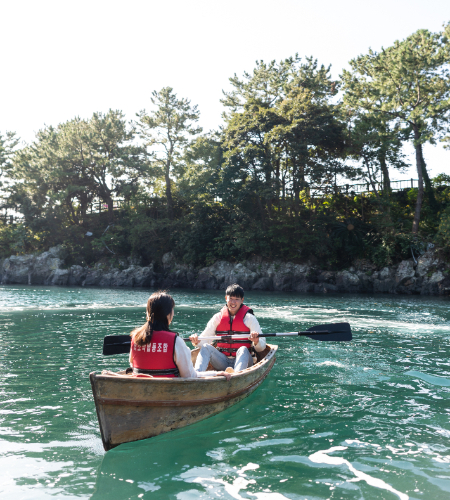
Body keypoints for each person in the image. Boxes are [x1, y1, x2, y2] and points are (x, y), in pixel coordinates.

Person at [129, 291, 231, 380]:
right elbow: (189, 376)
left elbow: (132, 364)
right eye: (172, 309)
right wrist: (216, 373)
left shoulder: (135, 337)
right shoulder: (175, 341)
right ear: (168, 314)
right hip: (169, 391)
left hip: (140, 388)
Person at [189, 283, 266, 373]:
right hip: (222, 361)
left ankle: (236, 376)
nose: (233, 302)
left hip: (244, 360)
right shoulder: (218, 317)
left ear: (242, 300)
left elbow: (262, 347)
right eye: (231, 299)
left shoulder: (249, 318)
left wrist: (256, 341)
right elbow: (205, 340)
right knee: (206, 347)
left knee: (243, 349)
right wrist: (196, 341)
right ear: (226, 298)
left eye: (237, 299)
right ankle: (197, 374)